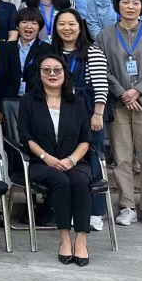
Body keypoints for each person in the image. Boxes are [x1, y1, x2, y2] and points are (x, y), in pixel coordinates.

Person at [96, 0, 142, 231]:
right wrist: (122, 93)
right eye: (125, 2)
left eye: (135, 3)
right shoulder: (105, 35)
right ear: (117, 6)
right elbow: (102, 68)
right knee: (122, 158)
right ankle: (127, 206)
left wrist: (137, 91)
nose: (130, 7)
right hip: (118, 105)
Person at [17, 55, 95, 267]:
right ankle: (65, 239)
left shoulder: (77, 101)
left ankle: (81, 240)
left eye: (57, 70)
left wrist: (71, 160)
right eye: (46, 70)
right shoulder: (28, 101)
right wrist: (46, 157)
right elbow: (25, 136)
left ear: (65, 73)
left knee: (80, 182)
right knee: (61, 181)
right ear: (39, 74)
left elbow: (86, 138)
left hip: (74, 160)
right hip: (40, 162)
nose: (52, 74)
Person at [51, 8, 111, 231]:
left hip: (88, 111)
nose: (66, 28)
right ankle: (70, 209)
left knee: (93, 158)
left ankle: (95, 211)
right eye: (61, 24)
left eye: (71, 24)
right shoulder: (52, 52)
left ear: (80, 27)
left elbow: (101, 86)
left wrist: (98, 113)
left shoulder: (92, 52)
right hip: (59, 111)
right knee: (65, 159)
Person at [13, 7, 54, 94]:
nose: (29, 26)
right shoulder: (7, 47)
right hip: (9, 97)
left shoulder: (48, 49)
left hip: (36, 96)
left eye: (34, 23)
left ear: (39, 28)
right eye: (24, 22)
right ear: (17, 26)